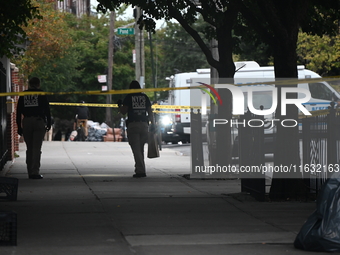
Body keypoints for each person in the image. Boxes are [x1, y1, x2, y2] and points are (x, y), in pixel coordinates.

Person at [16, 77, 51, 179]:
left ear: (29, 84)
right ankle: (35, 172)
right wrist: (49, 122)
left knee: (29, 148)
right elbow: (47, 109)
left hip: (26, 121)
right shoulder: (41, 94)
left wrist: (19, 126)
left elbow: (18, 111)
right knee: (36, 148)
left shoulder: (23, 95)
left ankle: (29, 171)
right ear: (38, 84)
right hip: (38, 121)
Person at [118, 80, 154, 178]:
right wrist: (153, 124)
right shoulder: (145, 97)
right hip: (144, 125)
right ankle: (140, 169)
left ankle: (141, 171)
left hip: (133, 125)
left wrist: (120, 106)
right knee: (140, 148)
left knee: (136, 149)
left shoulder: (129, 97)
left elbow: (123, 111)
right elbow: (150, 112)